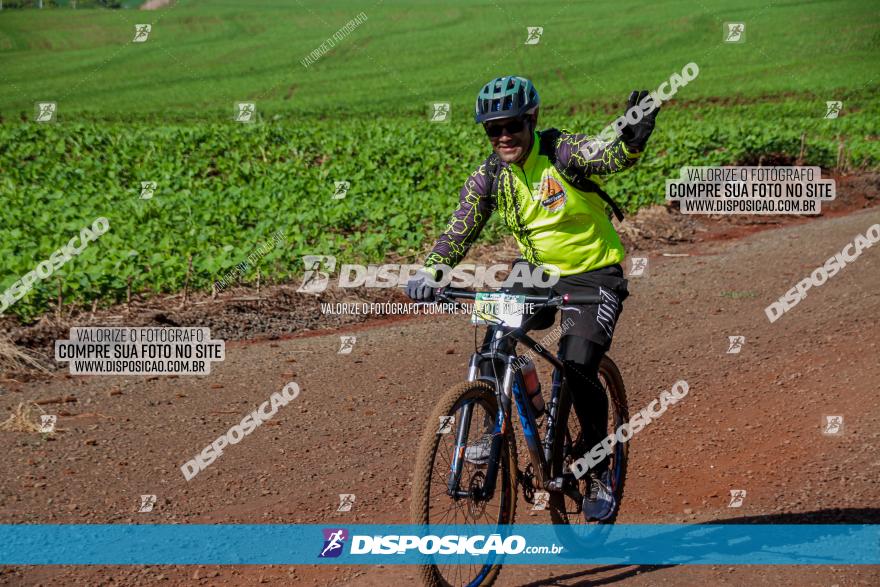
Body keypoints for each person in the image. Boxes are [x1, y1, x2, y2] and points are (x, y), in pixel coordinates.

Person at [405, 75, 659, 521]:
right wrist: (432, 271)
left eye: (511, 126)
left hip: (593, 275)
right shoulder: (491, 176)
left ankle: (597, 469)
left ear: (532, 120)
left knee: (578, 362)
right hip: (536, 274)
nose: (503, 136)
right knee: (494, 334)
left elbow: (606, 156)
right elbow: (459, 228)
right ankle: (500, 414)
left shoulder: (561, 152)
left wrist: (631, 142)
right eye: (492, 129)